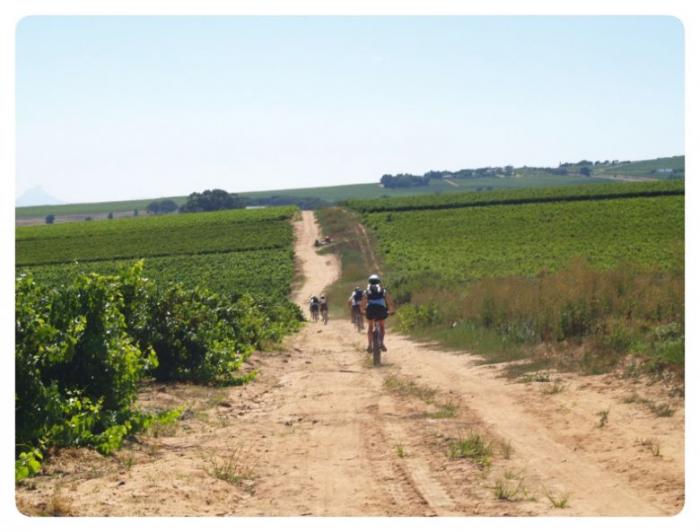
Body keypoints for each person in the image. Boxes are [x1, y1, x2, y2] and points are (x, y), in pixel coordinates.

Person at [361, 274, 394, 353]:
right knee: (382, 326)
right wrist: (391, 310)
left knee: (370, 326)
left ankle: (369, 345)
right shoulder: (383, 290)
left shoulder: (366, 291)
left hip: (370, 310)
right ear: (379, 282)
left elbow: (363, 302)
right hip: (381, 310)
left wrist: (362, 310)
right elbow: (389, 301)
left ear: (369, 282)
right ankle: (381, 342)